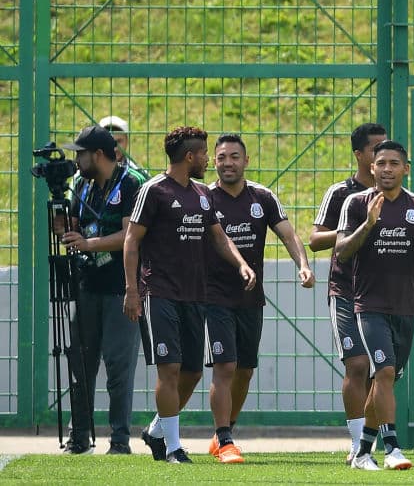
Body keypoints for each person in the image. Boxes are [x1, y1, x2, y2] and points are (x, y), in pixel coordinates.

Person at [122, 126, 256, 465]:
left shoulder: (201, 193)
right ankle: (173, 447)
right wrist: (132, 290)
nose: (210, 159)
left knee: (193, 372)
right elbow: (131, 240)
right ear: (189, 156)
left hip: (196, 296)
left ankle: (156, 430)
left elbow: (219, 237)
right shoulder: (153, 190)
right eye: (206, 154)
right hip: (159, 293)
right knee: (169, 369)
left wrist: (241, 264)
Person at [198, 134, 315, 463]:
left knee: (245, 370)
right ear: (215, 162)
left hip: (251, 298)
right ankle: (224, 441)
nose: (227, 163)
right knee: (225, 366)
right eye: (221, 158)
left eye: (234, 157)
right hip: (214, 295)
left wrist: (303, 266)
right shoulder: (205, 197)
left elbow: (288, 233)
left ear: (246, 161)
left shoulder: (262, 197)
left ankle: (226, 431)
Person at [335, 140, 414, 471]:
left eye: (394, 163)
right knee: (383, 371)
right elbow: (342, 251)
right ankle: (392, 447)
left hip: (405, 307)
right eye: (381, 163)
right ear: (371, 168)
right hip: (368, 305)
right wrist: (368, 224)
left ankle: (363, 451)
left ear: (405, 169)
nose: (387, 169)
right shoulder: (356, 203)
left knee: (386, 381)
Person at [57, 125, 148, 455]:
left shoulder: (132, 183)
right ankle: (78, 437)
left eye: (80, 153)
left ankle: (120, 440)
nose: (76, 159)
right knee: (80, 364)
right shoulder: (80, 184)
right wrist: (62, 222)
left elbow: (130, 237)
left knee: (117, 368)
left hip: (120, 289)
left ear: (97, 155)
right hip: (84, 287)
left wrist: (89, 243)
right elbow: (73, 228)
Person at [310, 122, 388, 462]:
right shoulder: (340, 192)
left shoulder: (396, 192)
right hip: (346, 290)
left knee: (384, 370)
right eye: (375, 149)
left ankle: (372, 440)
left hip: (386, 294)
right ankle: (357, 443)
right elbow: (315, 240)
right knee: (357, 364)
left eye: (386, 148)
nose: (382, 155)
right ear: (359, 155)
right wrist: (356, 226)